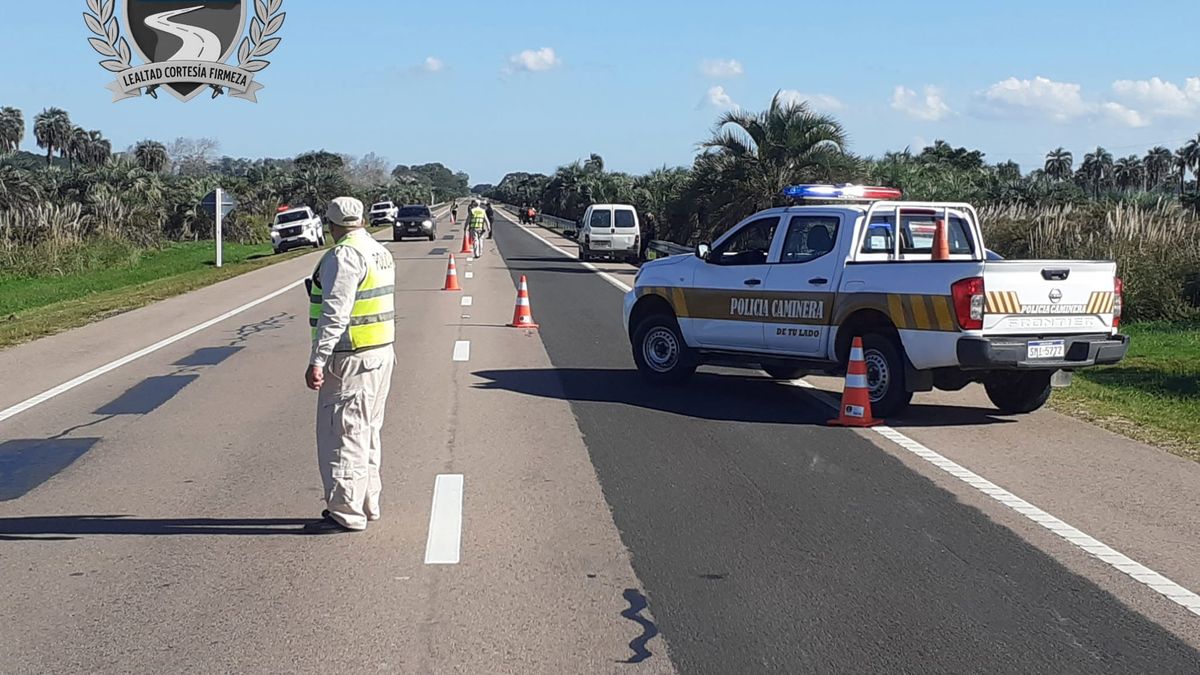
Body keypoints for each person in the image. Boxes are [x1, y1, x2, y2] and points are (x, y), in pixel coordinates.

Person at [304, 197, 397, 535]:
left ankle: (346, 511)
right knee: (368, 431)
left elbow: (335, 313)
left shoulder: (344, 255)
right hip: (379, 352)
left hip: (350, 355)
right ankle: (369, 502)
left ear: (331, 224)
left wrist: (318, 359)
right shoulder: (377, 250)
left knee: (343, 435)